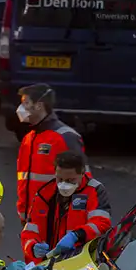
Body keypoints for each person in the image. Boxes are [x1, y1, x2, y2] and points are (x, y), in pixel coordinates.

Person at [16, 83, 88, 226]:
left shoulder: (65, 137)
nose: (20, 109)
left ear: (39, 105)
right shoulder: (28, 139)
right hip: (31, 223)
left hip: (56, 223)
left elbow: (83, 183)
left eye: (26, 103)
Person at [22, 150, 112, 265]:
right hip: (49, 264)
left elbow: (101, 224)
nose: (64, 185)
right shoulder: (45, 194)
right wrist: (32, 247)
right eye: (60, 179)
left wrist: (77, 235)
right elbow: (30, 230)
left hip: (81, 262)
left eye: (70, 180)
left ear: (82, 173)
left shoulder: (94, 191)